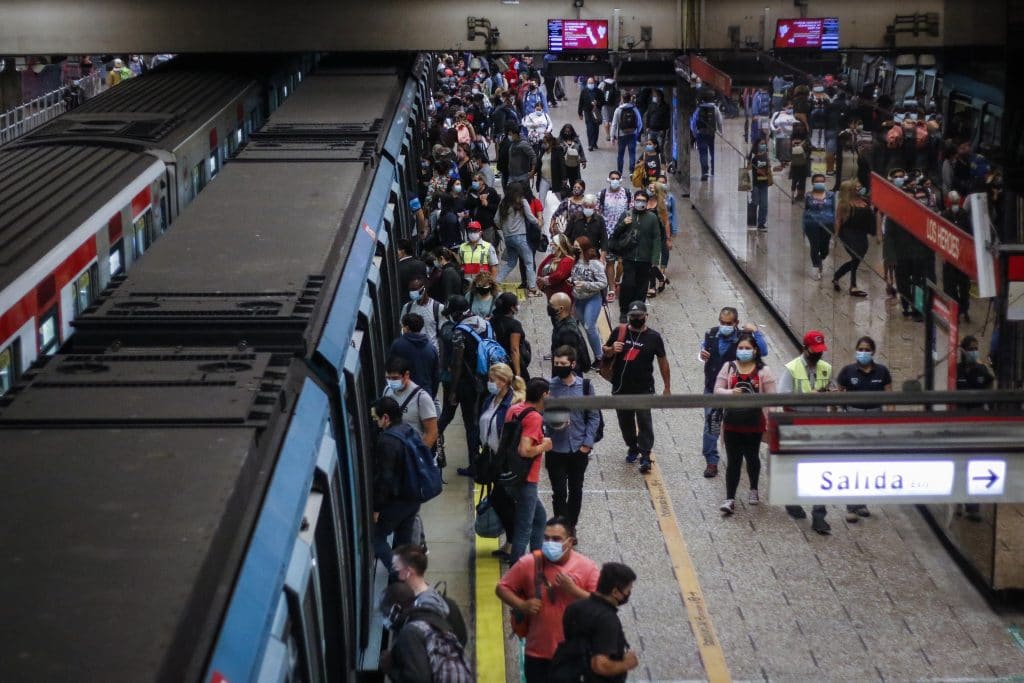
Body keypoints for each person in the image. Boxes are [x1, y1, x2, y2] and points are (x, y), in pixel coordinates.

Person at [496, 517, 598, 682]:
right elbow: (502, 588)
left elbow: (603, 605)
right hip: (537, 655)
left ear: (570, 542)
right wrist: (522, 605)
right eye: (546, 538)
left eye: (556, 539)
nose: (550, 543)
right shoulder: (529, 563)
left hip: (574, 655)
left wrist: (574, 590)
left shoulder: (588, 567)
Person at [699, 307, 769, 478]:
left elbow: (763, 351)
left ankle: (742, 452)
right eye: (722, 322)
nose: (724, 326)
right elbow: (702, 351)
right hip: (713, 389)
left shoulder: (743, 339)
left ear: (736, 323)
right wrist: (701, 355)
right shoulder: (711, 334)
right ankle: (711, 461)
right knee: (711, 425)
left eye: (728, 324)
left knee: (741, 425)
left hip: (738, 391)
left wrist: (757, 332)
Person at [602, 302, 670, 474]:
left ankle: (645, 454)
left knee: (645, 421)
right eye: (633, 316)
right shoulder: (620, 332)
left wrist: (667, 387)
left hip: (644, 388)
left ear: (646, 316)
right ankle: (633, 446)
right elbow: (605, 350)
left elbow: (663, 361)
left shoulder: (654, 337)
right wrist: (611, 349)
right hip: (621, 387)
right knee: (625, 423)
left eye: (639, 316)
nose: (636, 319)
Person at [777, 330, 834, 534]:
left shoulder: (826, 368)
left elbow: (831, 392)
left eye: (821, 350)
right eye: (815, 350)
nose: (819, 354)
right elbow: (782, 397)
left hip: (819, 426)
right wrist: (811, 395)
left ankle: (819, 516)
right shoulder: (792, 368)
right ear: (805, 348)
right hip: (796, 424)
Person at [714, 334, 776, 514]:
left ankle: (754, 489)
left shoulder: (764, 371)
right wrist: (731, 392)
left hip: (754, 423)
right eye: (740, 348)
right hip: (732, 423)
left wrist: (770, 424)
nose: (744, 351)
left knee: (752, 457)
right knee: (733, 461)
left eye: (747, 348)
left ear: (755, 350)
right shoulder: (729, 367)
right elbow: (717, 390)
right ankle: (730, 498)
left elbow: (772, 399)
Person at [835, 335, 892, 521]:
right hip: (852, 418)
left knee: (868, 462)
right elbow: (837, 395)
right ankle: (851, 506)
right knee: (852, 461)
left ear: (873, 352)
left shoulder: (882, 372)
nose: (864, 352)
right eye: (861, 349)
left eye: (867, 349)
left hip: (875, 418)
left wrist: (890, 421)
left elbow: (890, 398)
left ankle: (863, 503)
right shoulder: (847, 371)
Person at [547, 348, 601, 527]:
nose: (559, 367)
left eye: (563, 364)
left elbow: (594, 416)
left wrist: (587, 444)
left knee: (576, 490)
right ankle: (561, 527)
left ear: (572, 364)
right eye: (556, 364)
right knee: (559, 492)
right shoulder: (549, 387)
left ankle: (571, 527)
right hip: (555, 449)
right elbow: (539, 415)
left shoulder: (585, 386)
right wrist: (553, 423)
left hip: (578, 448)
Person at [371, 397, 423, 579]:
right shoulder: (409, 430)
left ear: (385, 418)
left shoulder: (387, 441)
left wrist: (377, 508)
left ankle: (399, 574)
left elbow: (385, 478)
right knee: (403, 545)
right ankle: (403, 587)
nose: (376, 423)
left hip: (397, 501)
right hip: (413, 497)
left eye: (376, 418)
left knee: (375, 538)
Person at [561, 562, 639, 682]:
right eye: (628, 590)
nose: (628, 594)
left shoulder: (574, 607)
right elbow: (599, 665)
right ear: (615, 592)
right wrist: (626, 664)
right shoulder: (608, 619)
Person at [479, 363, 527, 558]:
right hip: (491, 457)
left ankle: (515, 544)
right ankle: (510, 542)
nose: (489, 384)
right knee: (499, 501)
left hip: (505, 461)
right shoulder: (490, 399)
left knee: (505, 502)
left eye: (492, 380)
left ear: (504, 381)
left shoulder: (513, 404)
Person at [379, 581, 471, 682]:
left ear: (396, 609)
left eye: (384, 613)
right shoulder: (432, 618)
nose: (384, 619)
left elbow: (419, 680)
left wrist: (390, 668)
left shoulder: (410, 632)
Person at [505, 378, 555, 559]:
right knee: (524, 528)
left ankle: (536, 560)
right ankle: (517, 570)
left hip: (510, 474)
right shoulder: (534, 417)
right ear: (544, 395)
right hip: (526, 479)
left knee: (540, 518)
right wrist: (544, 446)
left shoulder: (514, 409)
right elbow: (525, 450)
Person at [441, 296, 488, 477]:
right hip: (486, 380)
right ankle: (485, 459)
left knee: (471, 425)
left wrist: (453, 390)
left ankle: (474, 465)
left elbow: (457, 363)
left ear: (456, 313)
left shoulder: (459, 331)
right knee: (481, 420)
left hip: (468, 384)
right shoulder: (485, 324)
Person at [610, 189, 662, 322]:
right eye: (638, 200)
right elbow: (615, 234)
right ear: (634, 201)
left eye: (643, 201)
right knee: (628, 284)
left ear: (647, 202)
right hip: (629, 257)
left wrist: (655, 259)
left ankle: (638, 310)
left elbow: (656, 238)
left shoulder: (652, 218)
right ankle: (624, 310)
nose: (640, 203)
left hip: (645, 259)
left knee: (642, 287)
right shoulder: (626, 215)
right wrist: (623, 224)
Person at [495, 183, 543, 296]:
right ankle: (532, 287)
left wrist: (505, 229)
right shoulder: (522, 201)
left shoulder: (503, 203)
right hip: (520, 237)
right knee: (529, 262)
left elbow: (496, 220)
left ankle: (496, 281)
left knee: (511, 263)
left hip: (508, 238)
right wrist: (539, 222)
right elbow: (531, 217)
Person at [383, 355, 439, 449]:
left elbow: (432, 432)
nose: (391, 382)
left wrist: (419, 456)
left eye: (395, 378)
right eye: (388, 378)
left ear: (406, 375)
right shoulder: (387, 391)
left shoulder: (421, 398)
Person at [831, 180, 875, 297]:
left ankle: (837, 276)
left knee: (858, 258)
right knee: (856, 256)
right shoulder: (844, 204)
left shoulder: (864, 201)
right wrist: (836, 235)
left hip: (862, 233)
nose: (860, 189)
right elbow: (838, 219)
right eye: (857, 187)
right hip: (848, 233)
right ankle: (853, 285)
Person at [570, 236, 608, 366]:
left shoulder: (595, 264)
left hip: (592, 298)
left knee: (589, 326)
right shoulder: (575, 261)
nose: (575, 249)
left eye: (577, 247)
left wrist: (585, 285)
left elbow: (603, 283)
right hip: (578, 298)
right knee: (583, 326)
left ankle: (599, 356)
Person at [387, 319, 441, 402]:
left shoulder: (397, 345)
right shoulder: (431, 349)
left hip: (403, 394)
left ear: (407, 328)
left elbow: (391, 368)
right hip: (426, 393)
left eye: (403, 326)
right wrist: (431, 396)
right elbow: (436, 376)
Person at [598, 172, 631, 303]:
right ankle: (611, 288)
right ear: (608, 180)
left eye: (617, 179)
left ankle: (618, 280)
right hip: (608, 234)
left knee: (622, 261)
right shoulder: (602, 194)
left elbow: (631, 211)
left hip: (623, 233)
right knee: (610, 262)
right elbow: (598, 212)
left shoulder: (627, 194)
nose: (615, 181)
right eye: (613, 179)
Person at [490, 292, 531, 379]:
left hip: (495, 360)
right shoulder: (514, 325)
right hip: (510, 363)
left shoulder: (492, 320)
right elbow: (514, 349)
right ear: (512, 308)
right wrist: (518, 373)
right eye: (517, 304)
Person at [803, 173, 835, 281]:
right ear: (812, 183)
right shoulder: (808, 196)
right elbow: (805, 211)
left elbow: (833, 210)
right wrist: (803, 227)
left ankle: (822, 258)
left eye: (822, 181)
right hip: (812, 224)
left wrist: (835, 226)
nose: (819, 183)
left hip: (828, 224)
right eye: (817, 182)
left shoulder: (831, 195)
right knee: (815, 245)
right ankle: (817, 266)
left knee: (824, 248)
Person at [402, 277, 444, 352]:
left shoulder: (438, 308)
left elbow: (442, 331)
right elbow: (402, 328)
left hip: (432, 351)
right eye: (410, 290)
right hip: (412, 352)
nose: (412, 293)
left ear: (423, 290)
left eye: (414, 290)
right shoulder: (407, 307)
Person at [956, 335, 995, 410]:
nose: (974, 352)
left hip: (978, 411)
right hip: (960, 413)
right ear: (963, 351)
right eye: (970, 349)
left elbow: (990, 384)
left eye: (976, 349)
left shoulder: (982, 369)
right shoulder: (956, 369)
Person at [690, 91, 723, 180]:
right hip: (711, 134)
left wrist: (694, 133)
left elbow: (693, 122)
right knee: (712, 152)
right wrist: (721, 132)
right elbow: (719, 121)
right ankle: (712, 171)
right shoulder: (714, 108)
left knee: (703, 153)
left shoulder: (698, 109)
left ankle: (705, 172)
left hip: (701, 134)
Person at [456, 221, 499, 285]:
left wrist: (492, 283)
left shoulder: (488, 247)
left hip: (482, 283)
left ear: (480, 232)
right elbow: (459, 265)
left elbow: (494, 267)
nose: (472, 233)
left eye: (475, 230)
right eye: (470, 231)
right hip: (465, 282)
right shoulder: (462, 247)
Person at [611, 92, 643, 175]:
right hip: (632, 135)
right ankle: (631, 171)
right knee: (632, 153)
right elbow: (640, 123)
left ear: (622, 99)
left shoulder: (618, 110)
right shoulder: (634, 109)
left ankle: (619, 172)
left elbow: (614, 124)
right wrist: (637, 132)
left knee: (620, 154)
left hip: (621, 135)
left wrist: (612, 136)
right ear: (630, 99)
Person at [466, 171, 501, 247]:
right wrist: (479, 199)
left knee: (489, 249)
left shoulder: (490, 192)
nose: (473, 183)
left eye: (475, 181)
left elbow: (497, 207)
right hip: (475, 228)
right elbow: (469, 204)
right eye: (473, 181)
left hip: (488, 227)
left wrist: (487, 204)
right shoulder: (471, 191)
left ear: (482, 181)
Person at [537, 235, 575, 301]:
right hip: (550, 293)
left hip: (562, 296)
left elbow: (559, 275)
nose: (551, 244)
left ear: (559, 246)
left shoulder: (567, 260)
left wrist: (545, 280)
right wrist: (540, 281)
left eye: (553, 243)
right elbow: (540, 268)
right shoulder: (551, 257)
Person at [749, 139, 772, 232]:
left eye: (764, 144)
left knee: (764, 204)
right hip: (755, 184)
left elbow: (769, 169)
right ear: (757, 146)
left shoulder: (766, 158)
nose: (763, 145)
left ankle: (761, 223)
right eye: (761, 144)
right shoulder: (754, 159)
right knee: (755, 202)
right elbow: (749, 169)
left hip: (764, 184)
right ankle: (751, 221)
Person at [505, 124, 538, 188]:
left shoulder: (523, 144)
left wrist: (532, 171)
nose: (509, 136)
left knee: (525, 195)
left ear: (515, 134)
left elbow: (533, 156)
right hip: (512, 175)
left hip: (522, 176)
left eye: (510, 134)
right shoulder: (513, 143)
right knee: (511, 196)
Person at [578, 77, 604, 151]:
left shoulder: (598, 91)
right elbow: (581, 102)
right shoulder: (584, 91)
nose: (591, 84)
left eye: (592, 83)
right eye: (589, 83)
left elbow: (603, 101)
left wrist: (597, 103)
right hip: (587, 112)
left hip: (596, 112)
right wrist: (580, 113)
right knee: (589, 128)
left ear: (594, 83)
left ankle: (594, 143)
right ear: (587, 84)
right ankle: (590, 144)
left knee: (596, 128)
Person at [558, 123, 587, 188]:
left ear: (572, 132)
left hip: (575, 165)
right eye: (566, 132)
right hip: (564, 166)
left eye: (569, 132)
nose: (567, 133)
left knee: (575, 183)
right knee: (563, 184)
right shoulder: (559, 141)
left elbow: (581, 150)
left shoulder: (576, 140)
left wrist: (583, 160)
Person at [644, 89, 671, 158]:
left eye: (655, 96)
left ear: (660, 97)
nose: (654, 97)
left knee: (660, 147)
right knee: (650, 147)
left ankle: (660, 160)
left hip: (660, 131)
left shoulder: (665, 107)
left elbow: (667, 119)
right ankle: (650, 160)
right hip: (651, 129)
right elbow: (648, 116)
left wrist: (664, 129)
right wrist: (647, 127)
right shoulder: (651, 105)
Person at [789, 125, 813, 201]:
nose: (800, 128)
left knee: (798, 179)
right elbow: (810, 150)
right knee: (800, 179)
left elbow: (789, 151)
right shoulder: (805, 139)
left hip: (798, 163)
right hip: (801, 163)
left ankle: (797, 195)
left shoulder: (793, 139)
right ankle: (799, 195)